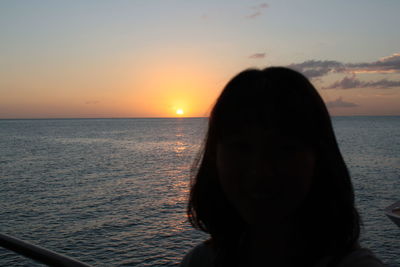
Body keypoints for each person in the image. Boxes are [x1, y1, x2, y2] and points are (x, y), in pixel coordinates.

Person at [180, 67, 385, 267]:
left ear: (319, 157)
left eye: (284, 149)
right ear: (215, 157)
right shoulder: (200, 261)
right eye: (241, 148)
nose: (260, 172)